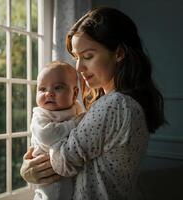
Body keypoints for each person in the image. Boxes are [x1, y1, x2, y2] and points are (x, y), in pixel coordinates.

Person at [21, 7, 165, 200]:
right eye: (76, 58)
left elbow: (63, 163)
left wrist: (29, 167)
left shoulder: (115, 104)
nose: (79, 67)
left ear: (119, 53)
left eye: (88, 56)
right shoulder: (126, 102)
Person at [30, 61, 83, 200]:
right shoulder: (40, 114)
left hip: (68, 170)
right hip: (48, 174)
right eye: (42, 89)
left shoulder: (76, 108)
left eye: (58, 88)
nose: (49, 94)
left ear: (74, 93)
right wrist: (73, 124)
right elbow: (46, 135)